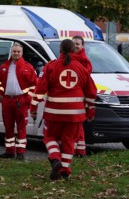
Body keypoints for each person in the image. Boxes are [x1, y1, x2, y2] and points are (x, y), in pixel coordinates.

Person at [30, 39, 97, 180]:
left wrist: (34, 107)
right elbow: (91, 92)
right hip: (75, 115)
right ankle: (65, 171)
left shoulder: (51, 66)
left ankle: (55, 160)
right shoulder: (81, 68)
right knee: (69, 141)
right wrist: (90, 111)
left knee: (49, 137)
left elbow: (40, 89)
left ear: (60, 49)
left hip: (54, 113)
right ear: (73, 50)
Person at [0, 42, 37, 160]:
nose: (16, 53)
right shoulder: (4, 67)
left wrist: (27, 99)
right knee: (8, 127)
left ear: (22, 53)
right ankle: (10, 151)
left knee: (21, 127)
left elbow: (34, 86)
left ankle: (21, 152)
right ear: (11, 52)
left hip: (21, 101)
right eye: (14, 51)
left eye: (18, 51)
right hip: (7, 101)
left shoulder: (28, 67)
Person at [71, 35, 92, 157]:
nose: (75, 46)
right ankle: (80, 150)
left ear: (82, 46)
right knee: (76, 124)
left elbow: (85, 78)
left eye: (78, 44)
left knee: (76, 123)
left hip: (79, 95)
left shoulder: (84, 60)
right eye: (73, 44)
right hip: (72, 95)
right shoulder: (68, 57)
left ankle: (76, 150)